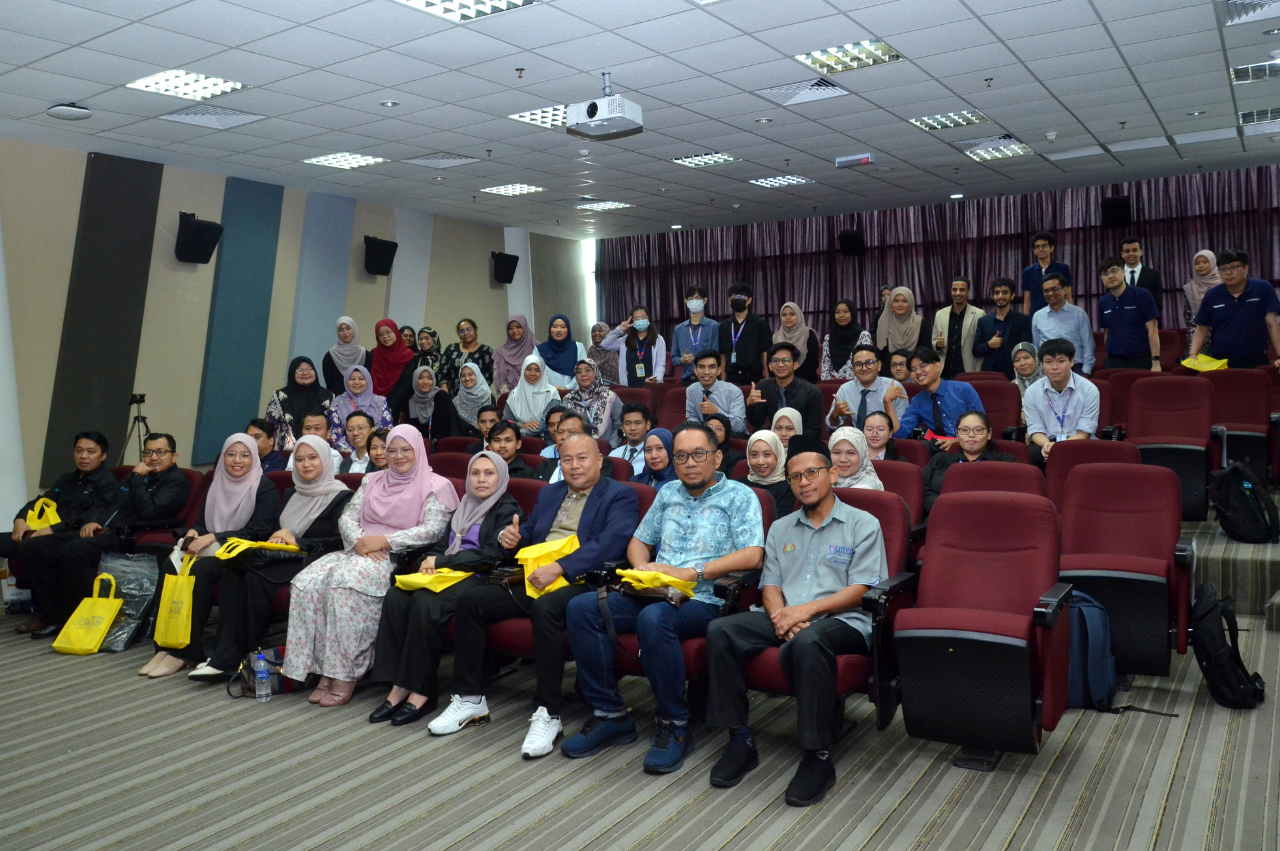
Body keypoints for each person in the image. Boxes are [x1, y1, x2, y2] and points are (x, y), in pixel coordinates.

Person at [561, 422, 764, 773]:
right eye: (681, 456)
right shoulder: (668, 491)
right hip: (656, 590)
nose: (689, 463)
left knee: (653, 619)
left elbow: (752, 555)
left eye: (698, 454)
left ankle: (674, 725)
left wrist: (694, 573)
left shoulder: (740, 496)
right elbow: (639, 541)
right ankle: (610, 714)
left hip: (706, 599)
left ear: (717, 457)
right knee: (582, 608)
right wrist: (642, 571)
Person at [428, 432, 639, 758]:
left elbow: (610, 543)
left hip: (582, 580)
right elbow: (532, 532)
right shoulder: (552, 492)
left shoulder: (620, 495)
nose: (574, 465)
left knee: (546, 609)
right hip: (536, 576)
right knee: (473, 601)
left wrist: (559, 567)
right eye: (566, 459)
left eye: (582, 458)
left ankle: (547, 713)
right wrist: (512, 536)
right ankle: (470, 699)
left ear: (599, 460)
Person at [705, 437, 887, 805]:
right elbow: (770, 584)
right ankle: (740, 739)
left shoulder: (862, 524)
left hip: (844, 620)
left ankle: (817, 757)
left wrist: (804, 614)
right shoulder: (781, 528)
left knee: (809, 640)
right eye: (795, 477)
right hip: (784, 614)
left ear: (832, 474)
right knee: (721, 630)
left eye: (812, 473)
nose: (804, 482)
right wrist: (780, 617)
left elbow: (862, 588)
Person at [283, 425, 457, 707]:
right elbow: (347, 517)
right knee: (306, 583)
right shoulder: (372, 480)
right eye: (392, 450)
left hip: (393, 557)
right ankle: (320, 670)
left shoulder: (438, 485)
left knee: (342, 585)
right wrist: (362, 541)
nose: (398, 456)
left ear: (418, 450)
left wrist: (383, 541)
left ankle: (345, 673)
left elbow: (433, 530)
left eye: (405, 450)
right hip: (358, 550)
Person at [369, 451, 523, 725]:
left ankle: (421, 692)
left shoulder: (507, 509)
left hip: (479, 576)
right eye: (475, 473)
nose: (481, 480)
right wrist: (432, 562)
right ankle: (398, 685)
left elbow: (491, 554)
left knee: (426, 602)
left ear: (501, 478)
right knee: (396, 596)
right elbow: (442, 543)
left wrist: (443, 561)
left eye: (489, 474)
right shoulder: (463, 505)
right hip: (447, 573)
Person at [189, 435, 353, 682]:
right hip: (280, 557)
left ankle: (237, 656)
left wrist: (298, 541)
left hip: (313, 561)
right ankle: (226, 654)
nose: (305, 464)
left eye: (313, 458)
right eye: (299, 459)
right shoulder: (291, 493)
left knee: (256, 578)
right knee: (234, 569)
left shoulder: (342, 496)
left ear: (326, 461)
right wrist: (276, 537)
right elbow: (273, 530)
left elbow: (341, 543)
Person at [11, 432, 188, 637]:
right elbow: (113, 503)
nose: (153, 457)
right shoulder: (141, 476)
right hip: (104, 530)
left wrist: (137, 478)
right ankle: (52, 615)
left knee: (73, 551)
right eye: (148, 452)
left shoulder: (175, 481)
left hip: (129, 536)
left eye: (160, 452)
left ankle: (81, 618)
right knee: (33, 547)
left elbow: (150, 511)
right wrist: (93, 521)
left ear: (174, 457)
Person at [138, 433, 281, 678]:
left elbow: (259, 531)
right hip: (212, 548)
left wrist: (215, 537)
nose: (238, 460)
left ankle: (187, 652)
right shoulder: (218, 482)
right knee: (170, 567)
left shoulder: (264, 486)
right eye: (231, 454)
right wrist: (196, 531)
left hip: (241, 554)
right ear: (223, 457)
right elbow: (204, 521)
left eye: (245, 455)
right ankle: (165, 645)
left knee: (198, 571)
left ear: (254, 458)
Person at [1190, 249, 1280, 369]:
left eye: (1234, 267)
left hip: (1255, 359)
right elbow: (1202, 327)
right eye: (1223, 269)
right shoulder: (1212, 295)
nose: (1228, 273)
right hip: (1221, 361)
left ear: (1246, 268)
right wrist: (1192, 354)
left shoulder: (1262, 288)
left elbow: (1272, 324)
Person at [1023, 338, 1101, 468]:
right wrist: (1048, 445)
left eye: (1061, 361)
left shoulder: (1089, 389)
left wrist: (1058, 447)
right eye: (1048, 362)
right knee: (1031, 453)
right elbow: (1035, 429)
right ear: (1041, 364)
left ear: (1072, 362)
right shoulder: (1032, 392)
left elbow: (1084, 433)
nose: (1054, 367)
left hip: (1079, 442)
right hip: (1047, 441)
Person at [922, 411, 1016, 512]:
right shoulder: (940, 460)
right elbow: (922, 489)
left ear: (989, 434)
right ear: (957, 435)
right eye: (964, 430)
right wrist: (945, 507)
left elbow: (1014, 496)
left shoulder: (1006, 461)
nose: (971, 435)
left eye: (978, 430)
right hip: (944, 516)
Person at [893, 348, 984, 443]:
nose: (918, 372)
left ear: (937, 366)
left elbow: (981, 426)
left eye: (923, 366)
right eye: (913, 369)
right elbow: (901, 434)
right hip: (939, 450)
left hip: (969, 445)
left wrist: (957, 442)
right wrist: (888, 403)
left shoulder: (963, 389)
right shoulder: (917, 402)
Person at [745, 342, 823, 440]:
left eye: (786, 360)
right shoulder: (764, 386)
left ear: (795, 365)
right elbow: (757, 422)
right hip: (773, 441)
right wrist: (750, 405)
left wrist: (792, 442)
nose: (780, 364)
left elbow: (814, 430)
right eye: (776, 361)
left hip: (802, 443)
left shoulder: (811, 392)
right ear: (770, 366)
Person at [1097, 255, 1161, 371]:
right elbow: (1107, 331)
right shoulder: (1103, 302)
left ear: (1124, 271)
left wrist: (1156, 362)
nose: (1110, 276)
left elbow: (1153, 329)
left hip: (1140, 360)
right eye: (1105, 273)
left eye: (1114, 271)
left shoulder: (1142, 295)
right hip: (1112, 362)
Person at [826, 344, 907, 432]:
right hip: (857, 442)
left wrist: (887, 401)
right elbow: (831, 427)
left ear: (879, 365)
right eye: (858, 364)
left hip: (888, 441)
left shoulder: (894, 387)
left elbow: (901, 431)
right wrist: (835, 415)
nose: (864, 368)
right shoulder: (846, 389)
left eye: (869, 363)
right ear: (853, 368)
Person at [264, 356, 334, 453]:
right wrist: (271, 451)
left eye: (309, 369)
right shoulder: (280, 396)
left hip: (320, 450)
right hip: (286, 452)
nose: (305, 373)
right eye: (299, 370)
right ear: (292, 373)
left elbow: (333, 427)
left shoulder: (328, 396)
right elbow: (269, 427)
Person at [1032, 273, 1095, 375]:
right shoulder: (1038, 316)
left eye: (1055, 289)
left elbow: (1088, 345)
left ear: (1065, 290)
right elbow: (1036, 348)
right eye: (1046, 291)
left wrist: (1085, 371)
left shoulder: (1079, 313)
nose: (1050, 293)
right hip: (1048, 369)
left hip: (1075, 367)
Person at [973, 277, 1033, 378]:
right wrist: (989, 345)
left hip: (1015, 376)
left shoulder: (1023, 320)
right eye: (997, 293)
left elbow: (1026, 349)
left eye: (1005, 292)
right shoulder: (983, 321)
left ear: (1012, 296)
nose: (1000, 296)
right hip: (989, 375)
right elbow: (975, 350)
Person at [534, 411, 615, 483]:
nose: (564, 437)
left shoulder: (600, 463)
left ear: (587, 436)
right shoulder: (544, 466)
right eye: (560, 432)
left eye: (572, 432)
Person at [929, 276, 985, 378]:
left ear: (968, 292)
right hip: (944, 371)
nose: (958, 293)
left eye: (962, 290)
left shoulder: (978, 314)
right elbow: (933, 342)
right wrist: (938, 344)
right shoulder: (940, 314)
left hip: (968, 370)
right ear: (951, 291)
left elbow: (980, 345)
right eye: (955, 290)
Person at [328, 365, 393, 453]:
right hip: (348, 454)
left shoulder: (380, 402)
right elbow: (335, 434)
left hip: (377, 452)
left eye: (361, 379)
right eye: (352, 379)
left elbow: (386, 430)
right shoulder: (337, 403)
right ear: (346, 381)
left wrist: (373, 449)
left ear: (368, 381)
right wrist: (355, 452)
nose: (356, 382)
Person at [719, 282, 771, 385]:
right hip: (731, 377)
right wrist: (723, 382)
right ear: (729, 300)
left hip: (753, 376)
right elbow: (723, 356)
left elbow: (765, 354)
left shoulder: (760, 323)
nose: (737, 299)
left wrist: (768, 380)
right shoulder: (724, 326)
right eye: (734, 297)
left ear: (749, 300)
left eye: (741, 296)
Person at [562, 358, 623, 447]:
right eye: (579, 372)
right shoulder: (569, 399)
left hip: (606, 450)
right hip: (575, 447)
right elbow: (563, 427)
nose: (583, 374)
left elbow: (619, 425)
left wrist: (610, 447)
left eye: (588, 370)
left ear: (596, 373)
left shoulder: (610, 397)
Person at [687, 349, 748, 436]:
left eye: (711, 367)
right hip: (704, 437)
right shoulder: (692, 390)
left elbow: (740, 427)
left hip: (731, 437)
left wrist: (716, 412)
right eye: (701, 367)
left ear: (719, 370)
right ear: (695, 370)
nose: (706, 372)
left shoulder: (734, 391)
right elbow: (692, 418)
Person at [602, 306, 667, 386]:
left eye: (643, 317)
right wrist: (619, 330)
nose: (641, 320)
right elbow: (605, 344)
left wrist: (656, 379)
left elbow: (660, 364)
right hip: (629, 388)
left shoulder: (658, 340)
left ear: (649, 319)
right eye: (637, 318)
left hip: (651, 387)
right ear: (632, 321)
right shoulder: (625, 340)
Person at [670, 285, 720, 384]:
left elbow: (716, 354)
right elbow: (674, 359)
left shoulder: (714, 326)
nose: (694, 301)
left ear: (705, 300)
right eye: (690, 299)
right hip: (687, 379)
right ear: (686, 302)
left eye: (697, 298)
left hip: (708, 378)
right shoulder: (679, 329)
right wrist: (681, 360)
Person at [739, 429, 795, 517]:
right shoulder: (737, 485)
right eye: (754, 455)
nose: (760, 462)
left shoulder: (789, 489)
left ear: (778, 455)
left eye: (767, 455)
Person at [503, 353, 558, 437]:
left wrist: (518, 433)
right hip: (517, 440)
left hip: (546, 439)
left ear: (543, 372)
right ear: (523, 370)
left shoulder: (551, 393)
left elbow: (546, 424)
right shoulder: (515, 394)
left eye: (537, 370)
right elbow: (507, 421)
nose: (532, 373)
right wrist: (521, 425)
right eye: (528, 369)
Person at [438, 317, 495, 396]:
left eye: (469, 329)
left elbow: (488, 378)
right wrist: (445, 397)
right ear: (459, 334)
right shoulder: (451, 348)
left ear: (476, 330)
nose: (466, 333)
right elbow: (442, 374)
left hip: (477, 398)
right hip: (451, 398)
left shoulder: (486, 351)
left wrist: (473, 397)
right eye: (462, 331)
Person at [402, 365, 457, 445]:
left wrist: (434, 442)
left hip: (441, 445)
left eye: (429, 378)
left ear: (434, 380)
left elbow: (449, 426)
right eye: (420, 378)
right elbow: (409, 429)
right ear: (414, 380)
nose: (425, 382)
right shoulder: (410, 402)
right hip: (418, 445)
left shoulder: (441, 397)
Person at [370, 318, 417, 411]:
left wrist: (389, 406)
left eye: (388, 332)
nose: (385, 336)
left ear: (396, 331)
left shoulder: (409, 356)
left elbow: (405, 384)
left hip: (398, 407)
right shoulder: (373, 355)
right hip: (372, 405)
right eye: (380, 334)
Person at [1021, 231, 1073, 316]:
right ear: (1034, 250)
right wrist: (1025, 323)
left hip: (1060, 315)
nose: (1041, 249)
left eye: (1044, 246)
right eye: (1037, 247)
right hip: (1036, 317)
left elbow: (1068, 296)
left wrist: (1070, 316)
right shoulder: (1028, 272)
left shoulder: (1063, 268)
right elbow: (1027, 302)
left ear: (1052, 248)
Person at [819, 299, 872, 381]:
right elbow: (825, 367)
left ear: (852, 313)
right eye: (838, 312)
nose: (841, 315)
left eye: (845, 312)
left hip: (857, 383)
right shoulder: (828, 338)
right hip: (832, 384)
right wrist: (829, 386)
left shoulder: (863, 336)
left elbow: (866, 364)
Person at [1183, 250, 1221, 356]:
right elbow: (1188, 316)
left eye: (1205, 262)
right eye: (1197, 263)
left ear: (1213, 263)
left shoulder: (1223, 285)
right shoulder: (1189, 288)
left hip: (1221, 335)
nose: (1201, 266)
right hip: (1196, 337)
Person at [322, 316, 371, 394]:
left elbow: (369, 383)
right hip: (338, 403)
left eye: (348, 328)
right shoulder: (330, 356)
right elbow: (329, 385)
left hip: (363, 403)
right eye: (341, 330)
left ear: (354, 329)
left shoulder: (365, 355)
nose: (345, 333)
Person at [537, 314, 588, 389]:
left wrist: (566, 388)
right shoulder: (539, 350)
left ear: (568, 329)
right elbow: (535, 373)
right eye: (554, 327)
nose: (558, 330)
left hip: (573, 395)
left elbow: (583, 372)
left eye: (563, 327)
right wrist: (551, 390)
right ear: (550, 329)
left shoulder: (578, 347)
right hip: (546, 395)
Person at [774, 302, 820, 383]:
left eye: (792, 314)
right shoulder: (776, 337)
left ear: (798, 315)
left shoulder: (808, 334)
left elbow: (813, 362)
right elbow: (772, 361)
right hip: (781, 382)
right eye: (784, 315)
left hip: (806, 383)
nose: (788, 318)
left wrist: (795, 382)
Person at [876, 287, 921, 368]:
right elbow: (880, 353)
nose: (900, 305)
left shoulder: (920, 323)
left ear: (910, 303)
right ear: (890, 303)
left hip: (915, 371)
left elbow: (924, 352)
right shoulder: (883, 322)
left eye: (904, 301)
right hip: (889, 372)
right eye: (896, 301)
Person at [493, 314, 537, 396]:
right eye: (510, 328)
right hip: (510, 400)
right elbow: (499, 380)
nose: (514, 330)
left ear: (524, 327)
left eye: (518, 327)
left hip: (535, 397)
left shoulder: (536, 349)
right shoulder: (500, 352)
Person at [1121, 235, 1163, 318]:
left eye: (1134, 250)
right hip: (1122, 325)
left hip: (1147, 325)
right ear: (1122, 254)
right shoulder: (1116, 276)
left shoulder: (1154, 275)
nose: (1131, 254)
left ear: (1141, 252)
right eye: (1127, 251)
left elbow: (1157, 304)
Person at [610, 401, 653, 477]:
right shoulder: (614, 455)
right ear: (622, 428)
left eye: (638, 423)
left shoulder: (652, 455)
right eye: (628, 423)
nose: (633, 428)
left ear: (648, 425)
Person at [453, 363, 494, 439]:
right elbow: (454, 429)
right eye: (463, 375)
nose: (467, 378)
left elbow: (493, 424)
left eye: (470, 374)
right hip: (462, 442)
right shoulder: (456, 402)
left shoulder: (489, 397)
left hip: (484, 441)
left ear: (477, 375)